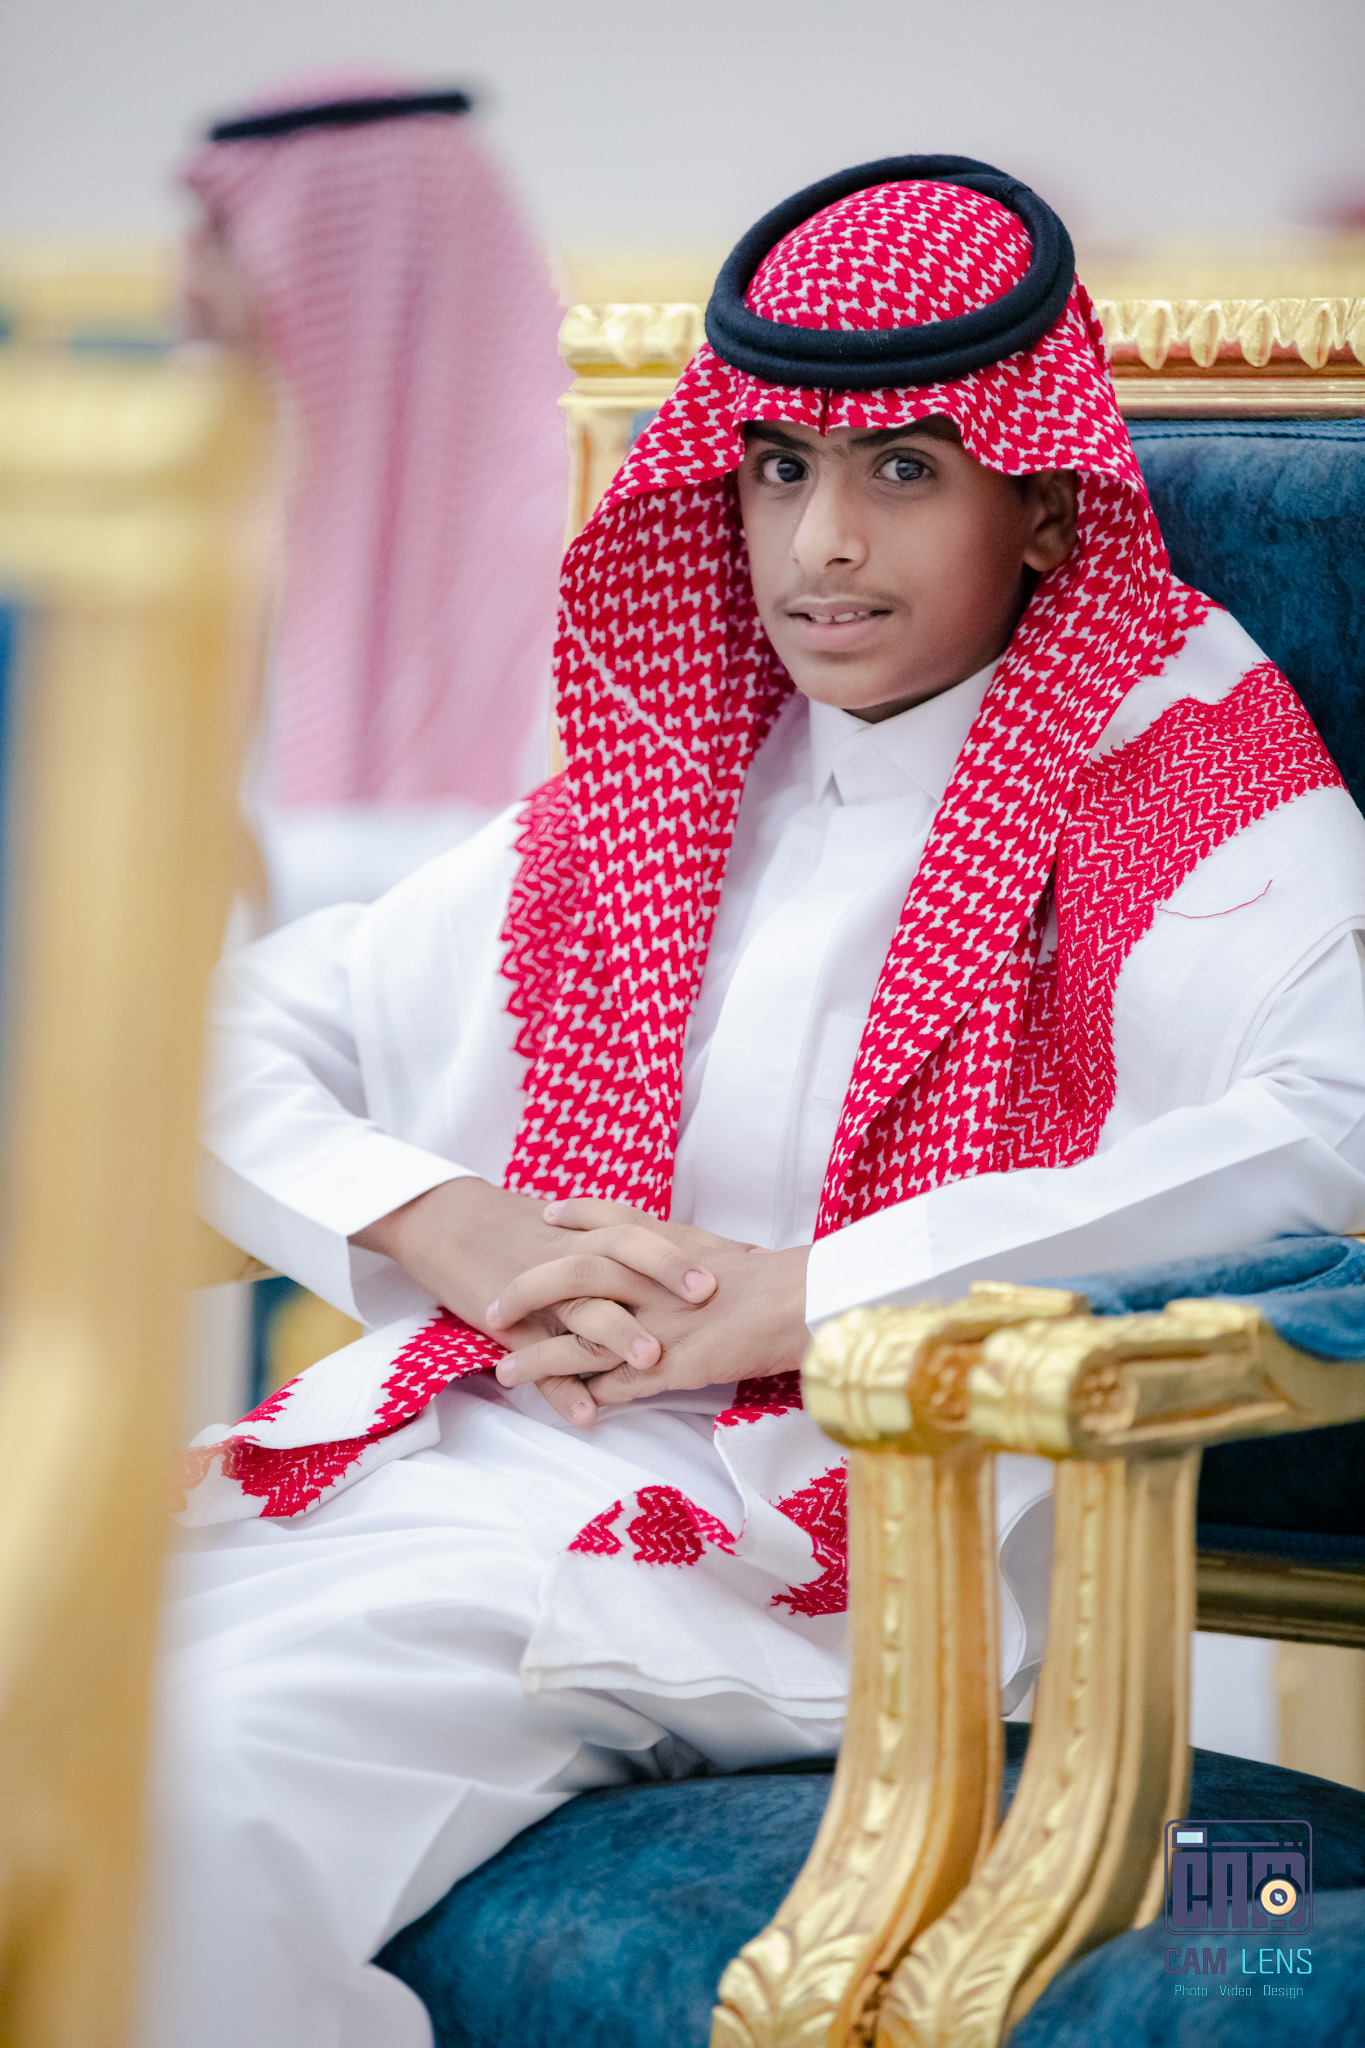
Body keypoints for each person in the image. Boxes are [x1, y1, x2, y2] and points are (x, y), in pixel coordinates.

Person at [144, 159, 1365, 2047]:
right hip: (463, 1468)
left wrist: (813, 1294)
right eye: (780, 467)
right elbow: (210, 1038)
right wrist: (446, 1223)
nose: (819, 546)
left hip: (807, 1550)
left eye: (904, 472)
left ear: (1043, 502)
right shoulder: (690, 768)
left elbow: (1331, 1124)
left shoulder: (1183, 778)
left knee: (188, 1782)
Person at [180, 73, 568, 905]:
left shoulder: (571, 535)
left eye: (223, 236)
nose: (187, 289)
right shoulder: (189, 510)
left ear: (350, 261)